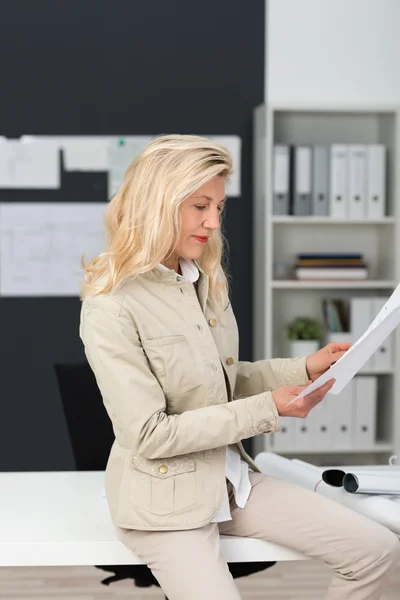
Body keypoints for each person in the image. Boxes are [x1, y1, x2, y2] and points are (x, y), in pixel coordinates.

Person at [79, 135, 399, 600]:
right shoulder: (111, 305)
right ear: (158, 203)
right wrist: (268, 408)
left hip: (230, 480)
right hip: (165, 503)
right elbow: (149, 434)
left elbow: (219, 384)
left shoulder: (202, 281)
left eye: (219, 208)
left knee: (377, 551)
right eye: (199, 206)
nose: (212, 222)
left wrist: (303, 369)